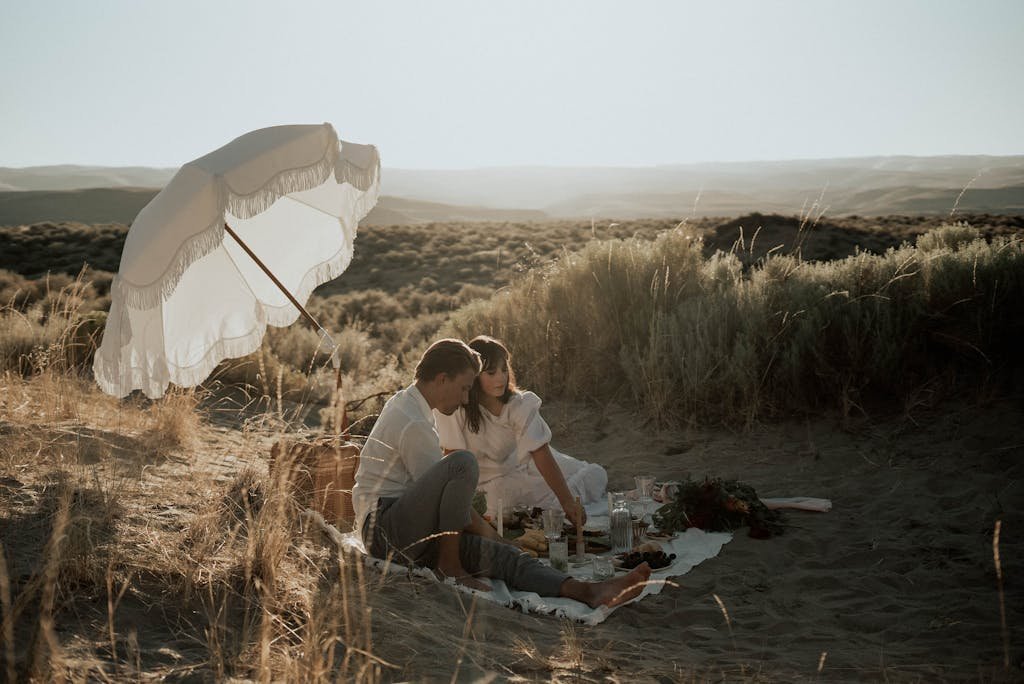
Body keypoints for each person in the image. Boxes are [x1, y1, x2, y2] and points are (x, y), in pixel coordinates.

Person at [351, 338, 650, 606]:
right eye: (465, 388)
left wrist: (498, 542)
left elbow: (446, 508)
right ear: (442, 379)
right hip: (383, 528)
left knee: (504, 558)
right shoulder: (412, 421)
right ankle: (450, 566)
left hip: (411, 531)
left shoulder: (412, 406)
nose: (467, 398)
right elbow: (451, 500)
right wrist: (493, 533)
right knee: (463, 463)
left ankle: (587, 591)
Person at [434, 335, 607, 530]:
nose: (500, 377)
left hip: (522, 465)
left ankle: (563, 501)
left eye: (503, 370)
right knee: (517, 501)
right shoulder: (456, 406)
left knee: (595, 474)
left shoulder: (519, 404)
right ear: (473, 376)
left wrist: (568, 501)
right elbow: (452, 458)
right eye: (491, 372)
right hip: (487, 487)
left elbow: (540, 453)